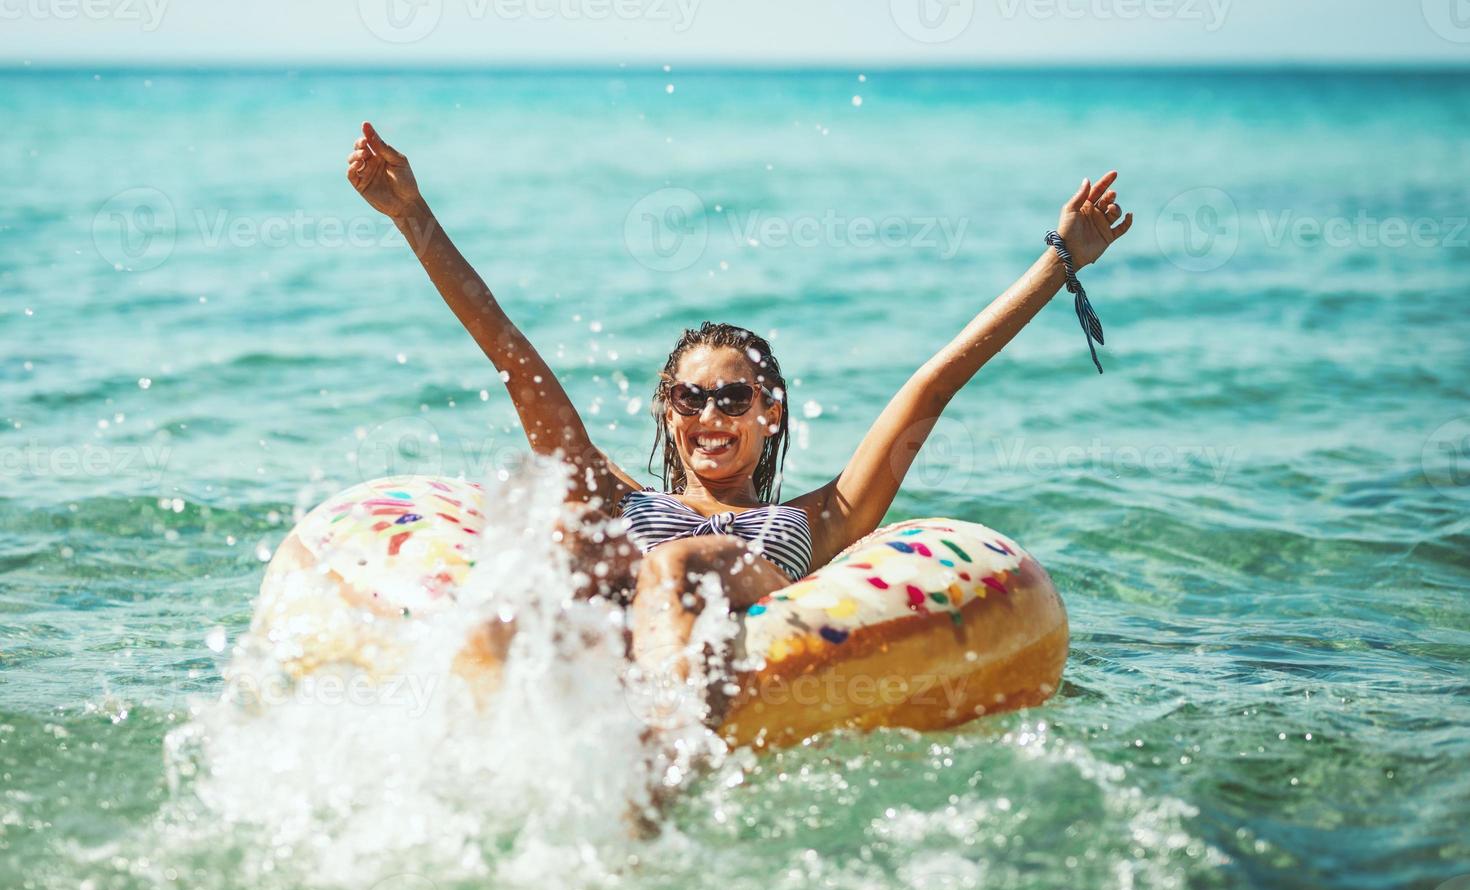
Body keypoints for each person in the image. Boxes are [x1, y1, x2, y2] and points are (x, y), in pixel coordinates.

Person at [345, 120, 1131, 715]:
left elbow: (933, 385)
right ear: (668, 410)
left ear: (769, 411)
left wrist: (1060, 260)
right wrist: (413, 215)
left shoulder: (823, 516)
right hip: (622, 628)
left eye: (734, 396)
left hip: (733, 627)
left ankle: (662, 749)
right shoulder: (624, 499)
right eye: (691, 397)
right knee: (563, 524)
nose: (711, 414)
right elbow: (515, 360)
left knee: (678, 565)